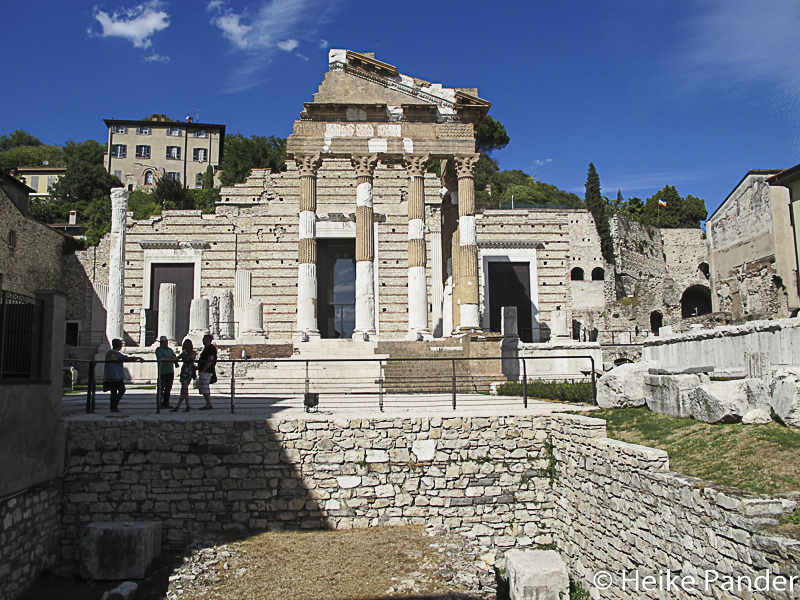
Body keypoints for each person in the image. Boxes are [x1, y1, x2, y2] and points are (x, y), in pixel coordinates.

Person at [103, 339, 144, 413]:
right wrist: (137, 358)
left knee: (113, 392)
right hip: (116, 376)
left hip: (109, 376)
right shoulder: (116, 354)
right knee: (122, 390)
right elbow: (125, 358)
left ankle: (113, 406)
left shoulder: (109, 353)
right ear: (119, 346)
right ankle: (114, 405)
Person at [171, 339, 196, 413]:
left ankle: (188, 406)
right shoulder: (193, 353)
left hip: (185, 371)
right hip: (190, 372)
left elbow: (177, 358)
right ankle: (178, 406)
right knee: (183, 390)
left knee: (185, 390)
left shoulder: (184, 353)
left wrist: (172, 357)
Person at [155, 336, 178, 408]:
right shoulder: (158, 350)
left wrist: (171, 359)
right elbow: (160, 358)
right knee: (161, 388)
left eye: (166, 341)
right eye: (164, 342)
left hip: (170, 371)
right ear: (161, 343)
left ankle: (166, 403)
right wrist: (170, 358)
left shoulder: (170, 350)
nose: (165, 343)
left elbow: (174, 357)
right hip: (162, 371)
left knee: (168, 388)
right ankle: (159, 404)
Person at [197, 334, 217, 410]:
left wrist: (204, 369)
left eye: (204, 339)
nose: (202, 340)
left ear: (207, 340)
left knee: (204, 386)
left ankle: (208, 404)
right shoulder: (207, 348)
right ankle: (208, 403)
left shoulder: (210, 348)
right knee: (204, 387)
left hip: (207, 371)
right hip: (205, 370)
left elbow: (210, 359)